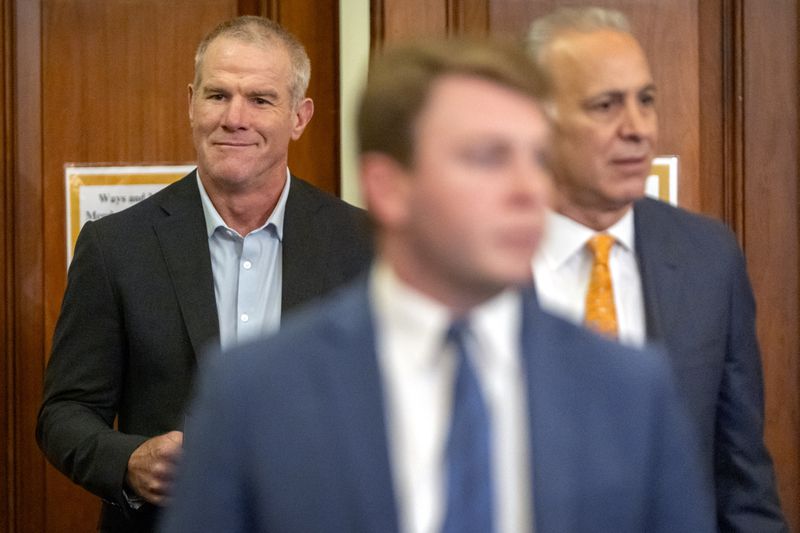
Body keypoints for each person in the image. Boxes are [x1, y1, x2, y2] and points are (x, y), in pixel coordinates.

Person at [160, 39, 715, 533]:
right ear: (388, 188)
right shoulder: (254, 394)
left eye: (539, 159)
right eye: (487, 158)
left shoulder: (631, 391)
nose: (529, 191)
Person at [36, 15, 372, 533]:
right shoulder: (116, 246)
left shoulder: (365, 244)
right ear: (191, 103)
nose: (234, 118)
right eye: (217, 95)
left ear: (299, 117)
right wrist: (129, 460)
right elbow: (65, 412)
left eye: (260, 99)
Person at [526, 7, 787, 531]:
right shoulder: (463, 265)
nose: (638, 129)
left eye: (646, 101)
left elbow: (743, 483)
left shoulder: (707, 257)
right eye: (606, 106)